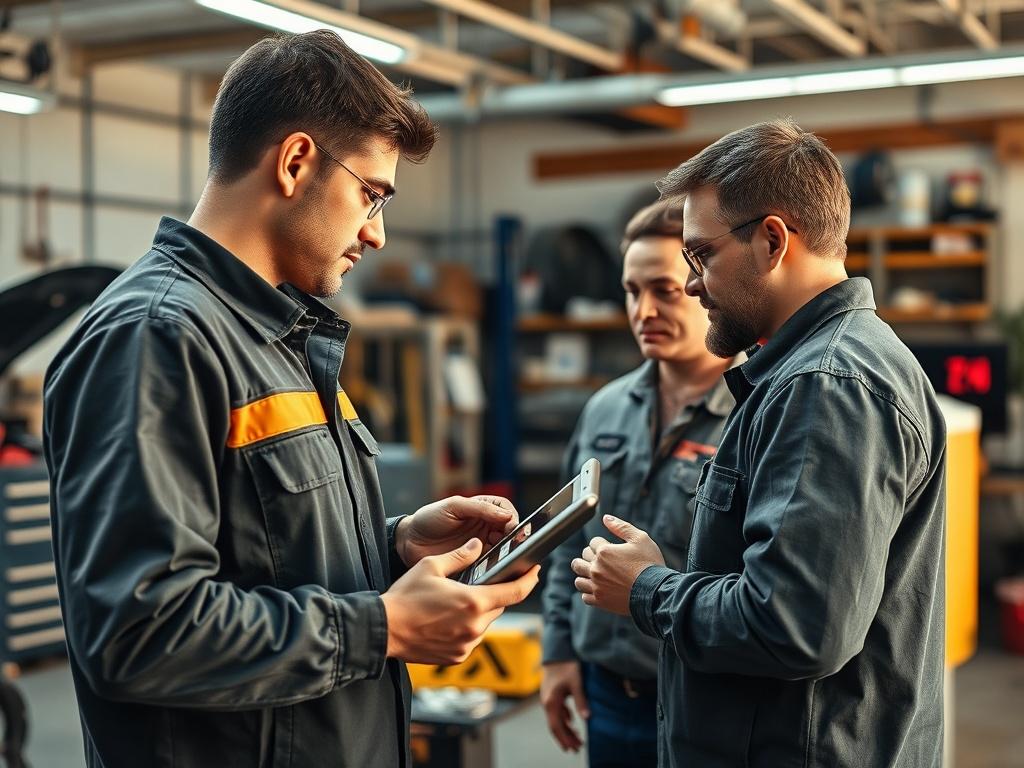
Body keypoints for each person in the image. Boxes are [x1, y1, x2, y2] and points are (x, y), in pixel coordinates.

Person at [43, 31, 538, 768]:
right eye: (371, 194)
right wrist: (384, 628)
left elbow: (258, 549)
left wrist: (393, 544)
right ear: (296, 161)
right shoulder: (156, 337)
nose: (377, 233)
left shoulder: (278, 333)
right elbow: (137, 631)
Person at [571, 119, 946, 767]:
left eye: (701, 256)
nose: (690, 285)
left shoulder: (826, 386)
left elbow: (796, 627)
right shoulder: (814, 372)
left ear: (772, 241)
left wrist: (648, 589)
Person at [540, 200, 736, 767]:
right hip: (605, 695)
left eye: (664, 290)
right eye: (631, 291)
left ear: (705, 288)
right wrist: (557, 653)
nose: (643, 310)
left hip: (703, 702)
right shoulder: (603, 410)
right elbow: (563, 543)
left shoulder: (757, 415)